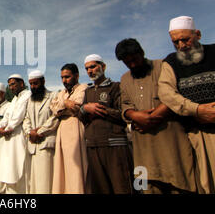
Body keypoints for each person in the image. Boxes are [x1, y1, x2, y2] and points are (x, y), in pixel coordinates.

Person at [116, 38, 198, 194]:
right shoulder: (125, 78)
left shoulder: (163, 66)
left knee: (179, 182)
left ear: (142, 53)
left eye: (134, 59)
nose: (132, 65)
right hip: (142, 146)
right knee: (145, 185)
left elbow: (176, 94)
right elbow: (125, 104)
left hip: (170, 140)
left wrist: (152, 118)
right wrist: (134, 115)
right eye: (127, 63)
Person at [158, 16, 215, 194]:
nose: (181, 45)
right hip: (198, 133)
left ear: (197, 34)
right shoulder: (171, 62)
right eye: (176, 42)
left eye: (185, 39)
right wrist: (196, 110)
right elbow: (166, 93)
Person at [79, 54, 134, 194]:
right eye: (87, 68)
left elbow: (123, 113)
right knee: (100, 188)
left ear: (103, 66)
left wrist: (98, 109)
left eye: (93, 66)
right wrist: (85, 108)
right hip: (92, 145)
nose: (90, 71)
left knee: (121, 186)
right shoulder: (88, 91)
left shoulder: (115, 87)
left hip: (114, 144)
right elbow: (80, 115)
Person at [50, 63, 89, 194]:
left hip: (76, 129)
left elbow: (77, 106)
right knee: (62, 169)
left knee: (75, 168)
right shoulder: (62, 93)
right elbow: (53, 108)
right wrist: (66, 103)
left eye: (67, 77)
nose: (64, 80)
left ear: (76, 76)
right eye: (62, 77)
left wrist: (63, 106)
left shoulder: (83, 88)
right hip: (62, 131)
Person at [0, 74, 31, 194]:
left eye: (13, 84)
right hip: (8, 137)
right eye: (9, 85)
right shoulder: (14, 99)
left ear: (21, 84)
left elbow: (18, 116)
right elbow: (7, 116)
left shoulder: (27, 95)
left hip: (19, 135)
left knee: (19, 169)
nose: (11, 87)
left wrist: (8, 128)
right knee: (8, 169)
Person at [22, 70, 57, 194]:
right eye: (31, 84)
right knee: (33, 184)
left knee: (46, 182)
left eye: (35, 84)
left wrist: (40, 131)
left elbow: (55, 117)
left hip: (46, 143)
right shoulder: (30, 100)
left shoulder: (53, 96)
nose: (33, 87)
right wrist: (29, 132)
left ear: (43, 81)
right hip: (32, 145)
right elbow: (26, 119)